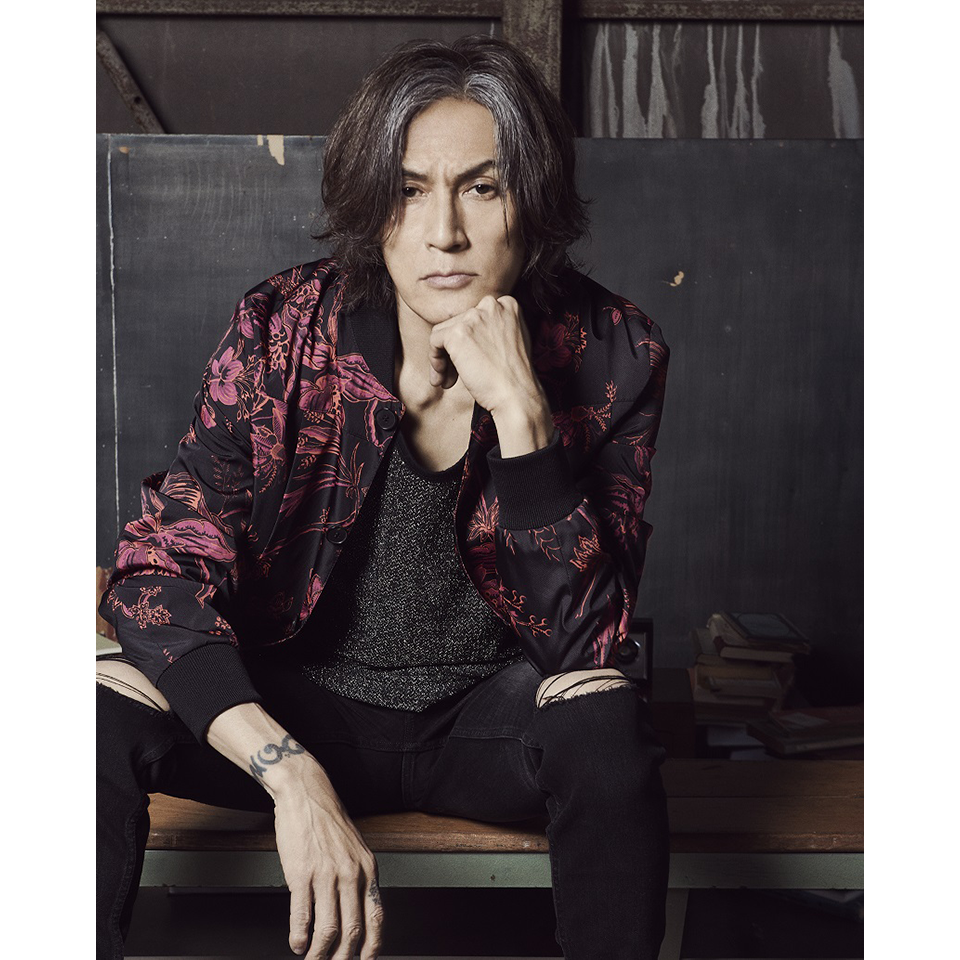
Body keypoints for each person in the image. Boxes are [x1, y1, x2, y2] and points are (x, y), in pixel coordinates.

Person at [97, 35, 670, 960]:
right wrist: (290, 775)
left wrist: (523, 416)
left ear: (533, 203)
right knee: (91, 710)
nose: (444, 232)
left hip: (487, 727)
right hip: (296, 711)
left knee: (605, 717)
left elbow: (588, 646)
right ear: (373, 207)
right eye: (409, 191)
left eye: (482, 188)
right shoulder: (281, 333)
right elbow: (157, 580)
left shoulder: (612, 351)